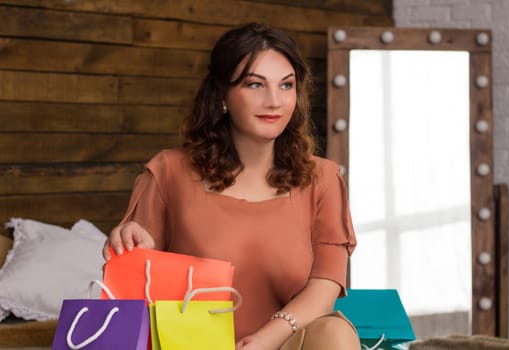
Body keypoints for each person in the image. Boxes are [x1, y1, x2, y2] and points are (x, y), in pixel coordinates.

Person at [103, 22, 360, 350]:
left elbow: (325, 286)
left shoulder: (323, 178)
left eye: (286, 86)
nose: (274, 101)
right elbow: (131, 284)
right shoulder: (168, 172)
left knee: (335, 335)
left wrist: (265, 340)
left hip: (285, 342)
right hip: (192, 344)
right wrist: (130, 247)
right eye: (255, 85)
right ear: (222, 95)